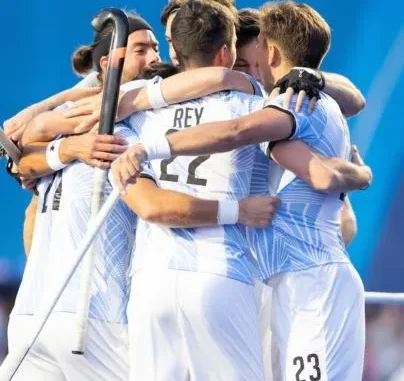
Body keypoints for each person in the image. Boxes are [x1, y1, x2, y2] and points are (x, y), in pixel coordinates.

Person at [111, 1, 372, 380]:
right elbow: (313, 166)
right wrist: (361, 174)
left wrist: (308, 76)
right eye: (242, 69)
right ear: (226, 55)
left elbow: (347, 110)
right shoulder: (260, 110)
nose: (254, 75)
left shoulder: (289, 105)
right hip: (241, 277)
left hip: (281, 279)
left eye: (256, 65)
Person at [6, 12, 160, 381]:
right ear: (108, 63)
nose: (155, 58)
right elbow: (13, 138)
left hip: (41, 314)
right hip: (89, 317)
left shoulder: (135, 108)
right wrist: (70, 148)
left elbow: (22, 142)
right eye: (141, 49)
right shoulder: (92, 122)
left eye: (157, 48)